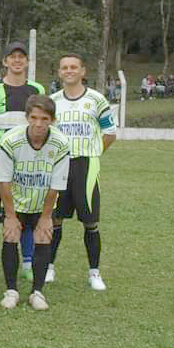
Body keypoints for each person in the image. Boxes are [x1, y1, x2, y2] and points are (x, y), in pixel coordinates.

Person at [0, 95, 70, 311]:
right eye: (34, 117)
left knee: (44, 237)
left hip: (43, 202)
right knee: (10, 235)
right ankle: (11, 291)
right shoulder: (10, 141)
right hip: (14, 202)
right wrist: (10, 216)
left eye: (44, 119)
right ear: (27, 117)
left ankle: (37, 292)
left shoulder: (61, 144)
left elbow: (56, 185)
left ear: (52, 120)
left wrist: (46, 217)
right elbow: (4, 181)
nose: (38, 124)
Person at [48, 54, 117, 291]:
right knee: (54, 218)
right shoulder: (53, 100)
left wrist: (93, 155)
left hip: (86, 165)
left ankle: (94, 272)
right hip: (59, 165)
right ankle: (49, 266)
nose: (69, 71)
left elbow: (110, 133)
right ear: (59, 72)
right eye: (64, 67)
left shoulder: (97, 100)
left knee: (90, 220)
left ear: (82, 71)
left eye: (73, 67)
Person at [0, 41, 43, 283]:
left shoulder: (36, 88)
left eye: (21, 57)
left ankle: (27, 263)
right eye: (12, 57)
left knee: (26, 215)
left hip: (27, 164)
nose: (17, 61)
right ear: (5, 61)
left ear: (27, 62)